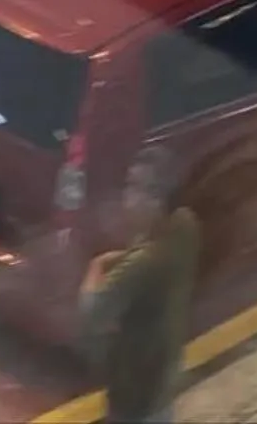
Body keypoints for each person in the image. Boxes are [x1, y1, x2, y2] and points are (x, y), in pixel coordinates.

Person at [80, 147, 199, 424]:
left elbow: (91, 311)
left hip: (135, 392)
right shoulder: (185, 225)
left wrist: (96, 266)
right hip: (164, 375)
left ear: (155, 199)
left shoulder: (143, 264)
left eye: (133, 187)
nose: (126, 197)